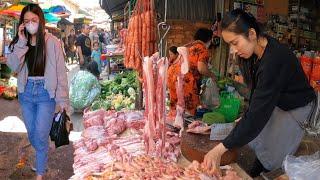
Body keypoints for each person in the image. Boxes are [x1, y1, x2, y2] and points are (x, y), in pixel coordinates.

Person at [203, 9, 316, 177]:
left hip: (296, 105)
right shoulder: (253, 53)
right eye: (230, 45)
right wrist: (248, 114)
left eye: (235, 43)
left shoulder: (274, 60)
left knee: (276, 150)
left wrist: (220, 149)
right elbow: (258, 97)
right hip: (277, 99)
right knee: (260, 136)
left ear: (252, 33)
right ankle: (260, 166)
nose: (233, 51)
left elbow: (257, 115)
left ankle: (270, 171)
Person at [6, 4, 69, 180]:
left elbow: (61, 73)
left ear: (40, 21)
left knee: (40, 134)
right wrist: (20, 42)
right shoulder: (21, 41)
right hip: (26, 92)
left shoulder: (53, 42)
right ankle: (42, 152)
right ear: (22, 24)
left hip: (45, 94)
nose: (30, 24)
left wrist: (63, 102)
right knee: (33, 134)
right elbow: (12, 66)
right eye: (26, 21)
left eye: (33, 20)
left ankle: (40, 173)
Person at [180, 28, 216, 115]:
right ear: (208, 39)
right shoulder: (202, 49)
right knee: (190, 110)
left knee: (181, 108)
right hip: (190, 82)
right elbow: (201, 68)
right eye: (211, 39)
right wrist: (212, 75)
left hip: (180, 80)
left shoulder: (190, 47)